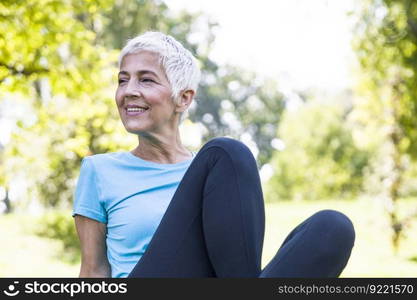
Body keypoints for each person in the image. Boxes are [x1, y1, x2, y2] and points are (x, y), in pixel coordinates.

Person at [72, 31, 355, 278]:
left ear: (184, 98)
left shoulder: (219, 179)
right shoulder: (100, 170)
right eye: (123, 80)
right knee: (227, 152)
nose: (129, 91)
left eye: (146, 80)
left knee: (333, 228)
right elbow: (94, 271)